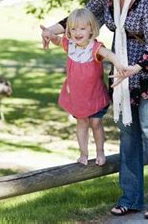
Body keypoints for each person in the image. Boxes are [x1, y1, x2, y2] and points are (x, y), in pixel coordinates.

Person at [41, 0, 148, 220]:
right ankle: (131, 198)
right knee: (127, 133)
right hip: (121, 69)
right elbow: (85, 18)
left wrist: (135, 68)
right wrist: (51, 31)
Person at [41, 8, 125, 166]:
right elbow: (58, 40)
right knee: (82, 123)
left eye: (82, 28)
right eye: (73, 29)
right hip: (78, 97)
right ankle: (83, 153)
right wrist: (51, 35)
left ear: (91, 29)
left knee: (95, 123)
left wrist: (119, 65)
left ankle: (100, 151)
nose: (77, 32)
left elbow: (109, 54)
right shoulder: (70, 45)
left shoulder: (95, 48)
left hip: (94, 97)